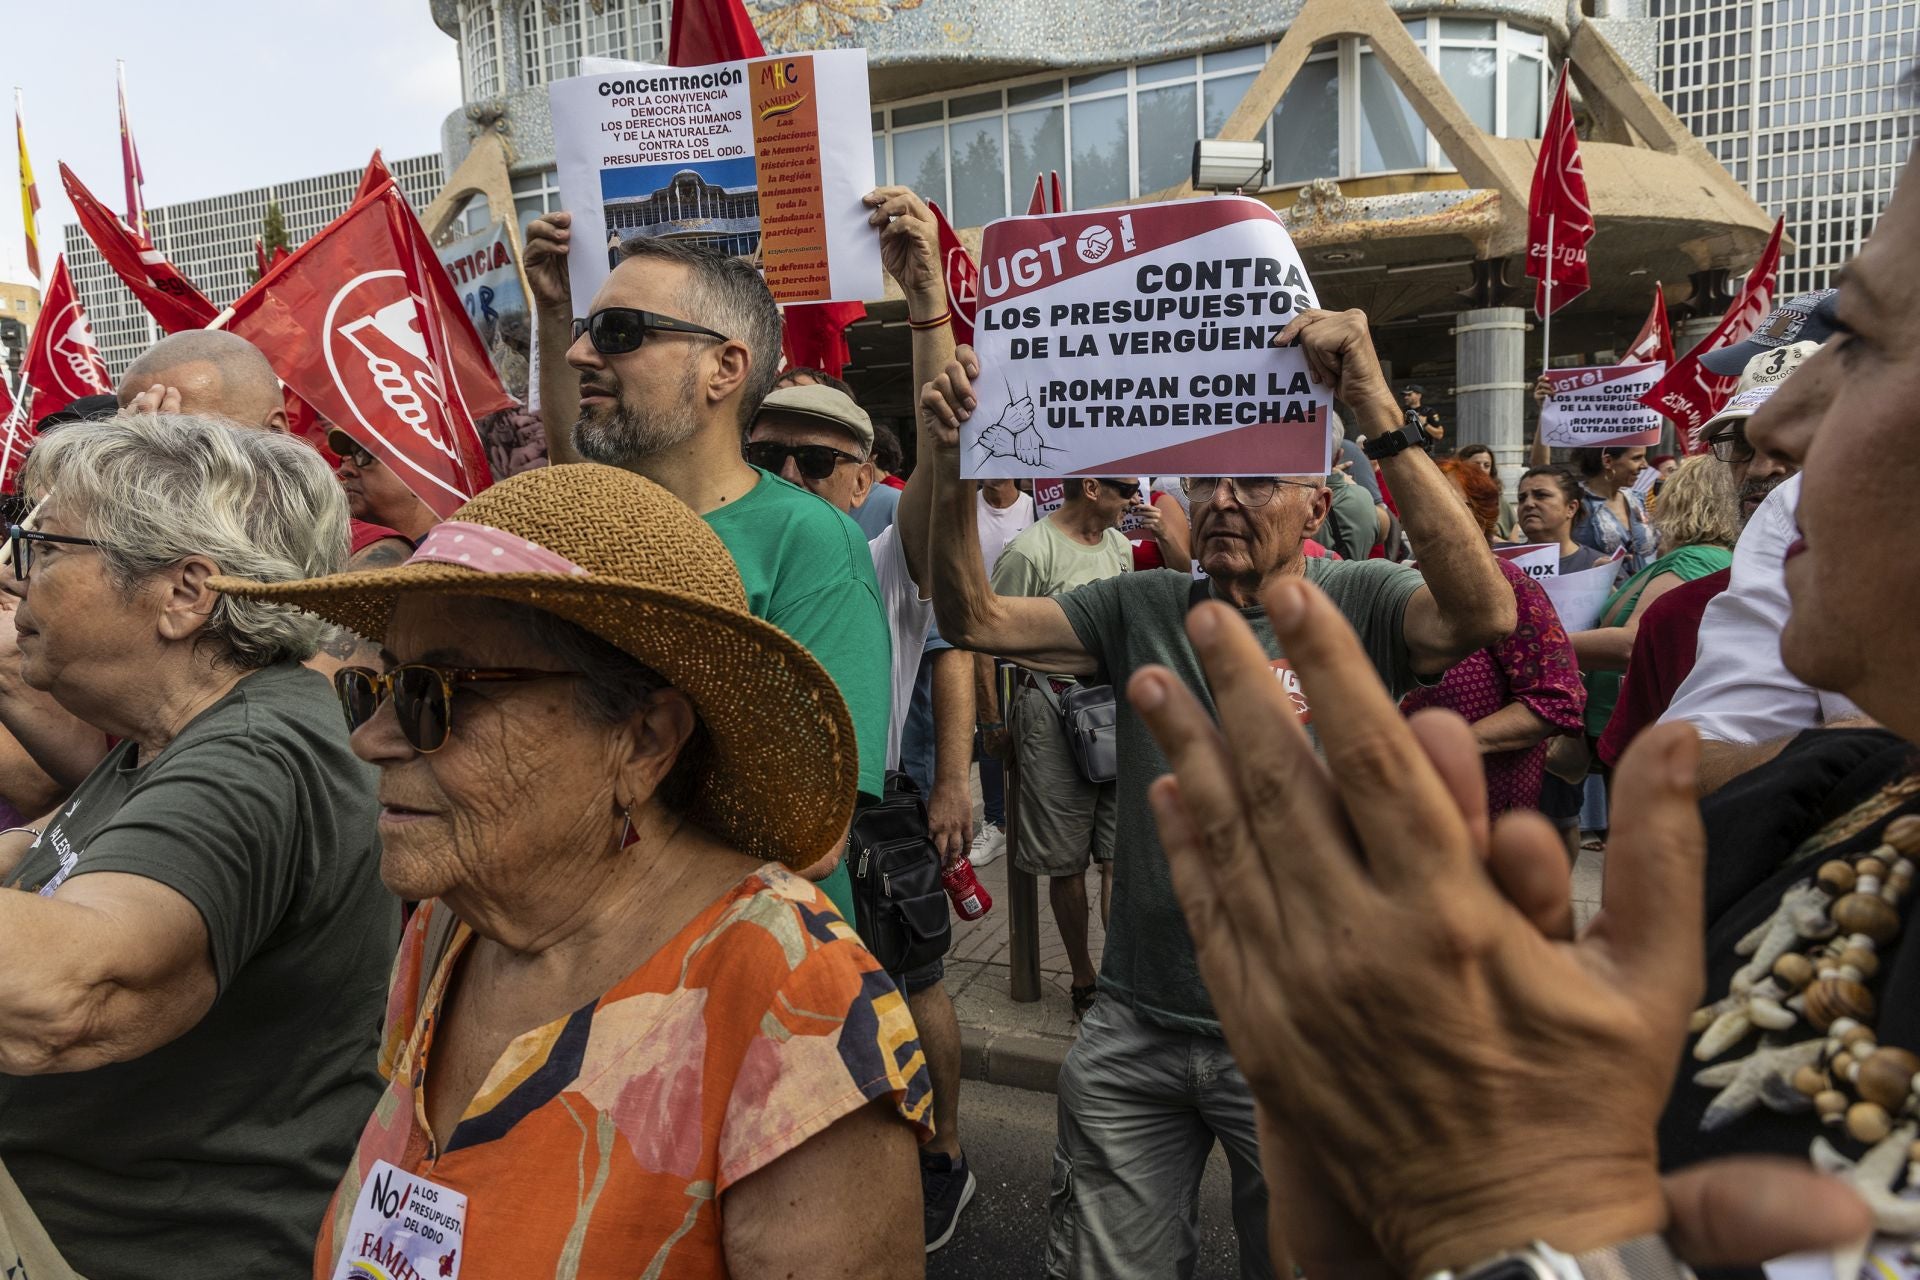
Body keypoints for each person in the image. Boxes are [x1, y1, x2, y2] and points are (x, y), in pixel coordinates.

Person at [1117, 175, 1913, 1280]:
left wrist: (1503, 1227)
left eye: (1863, 340)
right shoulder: (1841, 822)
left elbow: (1526, 669)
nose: (1775, 429)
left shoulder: (1388, 595)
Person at [221, 465, 931, 1279]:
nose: (371, 739)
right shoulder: (453, 925)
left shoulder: (789, 997)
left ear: (642, 741)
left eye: (434, 693)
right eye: (373, 688)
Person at [919, 308, 1513, 1280]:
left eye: (1259, 478)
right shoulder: (1143, 604)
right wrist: (950, 462)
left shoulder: (1359, 601)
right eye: (1208, 478)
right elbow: (971, 615)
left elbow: (1484, 611)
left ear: (1318, 507)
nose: (1227, 497)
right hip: (1134, 1027)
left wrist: (1372, 405)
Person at [527, 184, 974, 1247]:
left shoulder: (805, 544)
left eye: (622, 332)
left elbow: (810, 817)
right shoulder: (582, 520)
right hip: (577, 977)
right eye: (588, 328)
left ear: (726, 369)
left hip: (746, 1001)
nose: (591, 350)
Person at [0, 414, 396, 1276]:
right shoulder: (176, 735)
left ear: (184, 594)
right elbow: (36, 861)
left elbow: (73, 987)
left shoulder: (252, 754)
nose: (12, 571)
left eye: (44, 544)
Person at [745, 379, 978, 1249]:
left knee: (911, 992)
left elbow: (932, 495)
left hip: (872, 816)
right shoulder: (732, 550)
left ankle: (943, 1154)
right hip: (757, 830)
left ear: (863, 479)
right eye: (766, 458)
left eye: (816, 462)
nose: (789, 479)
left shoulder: (879, 559)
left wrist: (925, 311)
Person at [1595, 342, 1818, 768]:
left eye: (1791, 440)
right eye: (1742, 444)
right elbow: (1642, 781)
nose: (1757, 469)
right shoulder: (1676, 614)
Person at [988, 475, 1134, 1021]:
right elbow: (986, 635)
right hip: (1051, 711)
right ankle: (1083, 977)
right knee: (1065, 861)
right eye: (1125, 489)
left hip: (1114, 710)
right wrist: (992, 722)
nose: (1134, 500)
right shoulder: (1029, 550)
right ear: (1092, 488)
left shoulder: (1119, 546)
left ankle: (1120, 977)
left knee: (1118, 855)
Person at [1401, 458, 1583, 813]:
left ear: (1479, 515)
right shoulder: (1399, 580)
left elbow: (1554, 699)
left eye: (1442, 501)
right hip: (1406, 805)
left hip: (1487, 805)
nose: (1424, 513)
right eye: (1414, 501)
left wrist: (1452, 746)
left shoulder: (1508, 585)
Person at [1572, 454, 1738, 747]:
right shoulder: (1708, 557)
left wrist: (1539, 644)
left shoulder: (1694, 559)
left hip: (1638, 731)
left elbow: (1633, 643)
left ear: (1681, 498)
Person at [970, 479, 1035, 867]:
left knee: (1035, 726)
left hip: (1031, 632)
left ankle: (1031, 818)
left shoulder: (1033, 508)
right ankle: (996, 821)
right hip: (984, 633)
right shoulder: (968, 509)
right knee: (989, 726)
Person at [327, 426, 437, 547]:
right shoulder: (342, 555)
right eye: (348, 457)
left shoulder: (456, 558)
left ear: (422, 475)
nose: (344, 470)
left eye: (365, 455)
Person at [1515, 464, 1612, 573]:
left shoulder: (1602, 567)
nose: (1528, 504)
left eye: (1541, 495)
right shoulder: (1497, 562)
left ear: (1571, 508)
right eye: (1521, 498)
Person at [1455, 442, 1515, 537]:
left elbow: (1513, 547)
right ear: (1461, 467)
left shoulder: (1501, 502)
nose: (1482, 469)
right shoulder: (1452, 498)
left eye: (1486, 465)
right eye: (1476, 464)